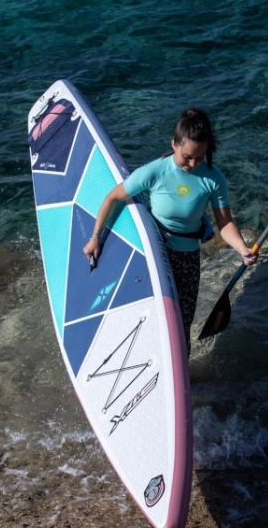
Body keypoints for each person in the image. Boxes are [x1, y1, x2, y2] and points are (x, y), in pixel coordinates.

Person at [83, 108, 257, 352]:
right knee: (149, 315)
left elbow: (225, 223)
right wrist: (95, 238)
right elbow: (113, 197)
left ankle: (180, 373)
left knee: (182, 322)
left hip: (187, 257)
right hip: (154, 253)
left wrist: (242, 249)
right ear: (174, 144)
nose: (193, 164)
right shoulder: (155, 171)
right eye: (187, 156)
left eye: (200, 157)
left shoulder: (213, 178)